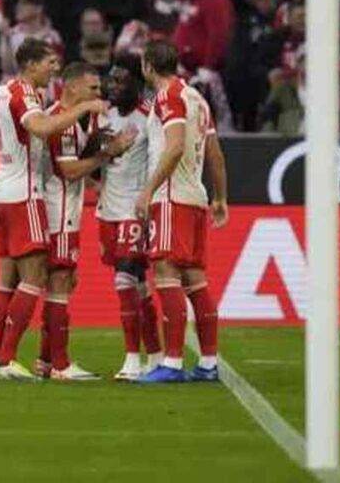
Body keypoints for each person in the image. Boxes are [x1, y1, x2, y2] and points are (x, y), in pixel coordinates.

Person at [0, 39, 107, 381]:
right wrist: (83, 110)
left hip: (2, 189)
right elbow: (40, 128)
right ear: (31, 64)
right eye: (49, 62)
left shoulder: (0, 93)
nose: (54, 67)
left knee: (8, 278)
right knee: (37, 278)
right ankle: (8, 361)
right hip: (24, 193)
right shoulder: (22, 93)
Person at [34, 61, 135, 381]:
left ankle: (46, 360)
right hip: (57, 212)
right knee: (60, 281)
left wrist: (98, 180)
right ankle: (61, 365)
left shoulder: (78, 119)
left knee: (62, 282)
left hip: (66, 209)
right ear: (72, 87)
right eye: (92, 88)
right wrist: (109, 153)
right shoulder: (61, 123)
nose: (98, 93)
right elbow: (69, 171)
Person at [134, 41, 228, 384]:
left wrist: (148, 190)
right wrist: (220, 198)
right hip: (195, 196)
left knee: (165, 274)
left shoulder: (167, 96)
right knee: (195, 280)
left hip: (171, 196)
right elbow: (215, 154)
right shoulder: (197, 98)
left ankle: (172, 363)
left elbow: (173, 147)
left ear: (147, 66)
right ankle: (207, 363)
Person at [96, 52, 163, 381]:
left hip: (134, 211)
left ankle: (132, 360)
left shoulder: (149, 116)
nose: (114, 85)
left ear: (138, 83)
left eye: (122, 80)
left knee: (124, 278)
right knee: (138, 285)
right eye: (112, 78)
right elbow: (94, 159)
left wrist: (149, 198)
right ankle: (156, 353)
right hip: (107, 210)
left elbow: (161, 160)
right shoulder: (103, 115)